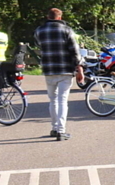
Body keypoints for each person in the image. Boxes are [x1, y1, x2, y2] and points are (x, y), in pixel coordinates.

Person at [34, 8, 84, 141]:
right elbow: (74, 50)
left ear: (47, 16)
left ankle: (54, 128)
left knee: (53, 99)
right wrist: (79, 67)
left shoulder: (40, 30)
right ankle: (61, 131)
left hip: (49, 70)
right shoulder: (67, 30)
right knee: (63, 100)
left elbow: (39, 45)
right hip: (65, 69)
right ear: (60, 17)